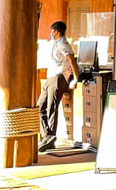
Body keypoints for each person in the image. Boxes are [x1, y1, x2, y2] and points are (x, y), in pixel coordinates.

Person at [38, 21, 82, 152]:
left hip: (58, 77)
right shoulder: (56, 43)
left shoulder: (63, 43)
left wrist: (75, 78)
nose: (50, 33)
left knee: (51, 107)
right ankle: (47, 136)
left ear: (56, 31)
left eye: (52, 31)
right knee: (40, 107)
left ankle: (50, 137)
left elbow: (71, 59)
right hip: (50, 77)